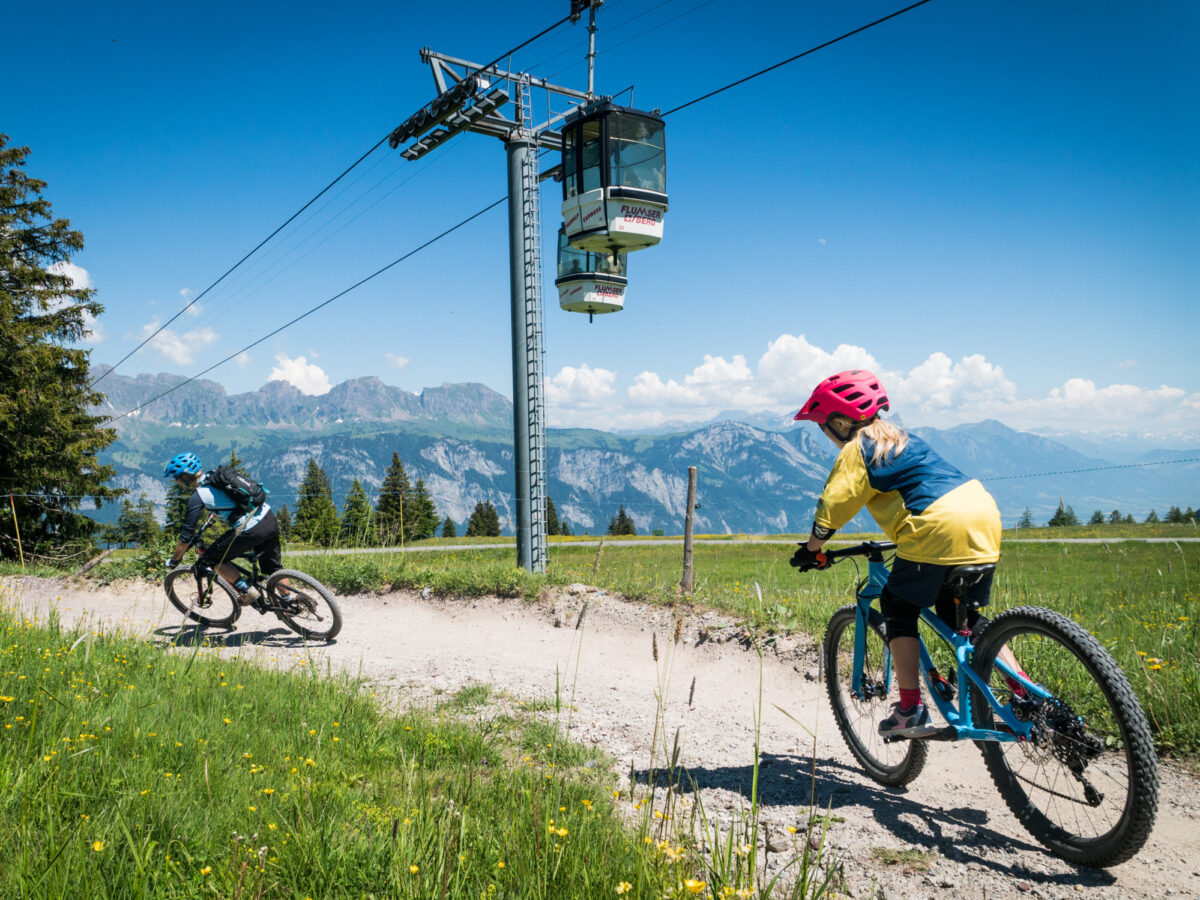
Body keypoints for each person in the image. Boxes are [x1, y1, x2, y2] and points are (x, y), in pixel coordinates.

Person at [789, 369, 1006, 738]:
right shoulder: (905, 439)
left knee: (897, 606)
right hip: (983, 515)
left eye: (824, 427)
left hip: (935, 526)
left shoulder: (859, 447)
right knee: (963, 617)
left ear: (840, 422)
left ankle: (909, 710)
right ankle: (1025, 694)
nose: (826, 435)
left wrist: (812, 549)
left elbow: (834, 505)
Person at [162, 452, 285, 602]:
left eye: (176, 478)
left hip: (250, 529)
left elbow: (186, 535)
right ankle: (290, 601)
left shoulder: (197, 496)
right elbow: (227, 499)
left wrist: (175, 560)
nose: (176, 482)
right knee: (273, 569)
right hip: (268, 517)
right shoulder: (216, 476)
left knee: (212, 560)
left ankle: (247, 591)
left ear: (186, 476)